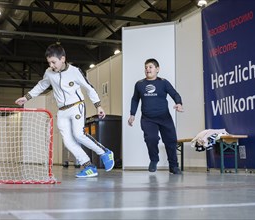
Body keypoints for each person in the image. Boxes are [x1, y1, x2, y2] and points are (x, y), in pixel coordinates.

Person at [15, 43, 114, 178]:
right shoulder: (49, 73)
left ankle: (104, 153)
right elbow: (42, 85)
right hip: (62, 111)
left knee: (78, 135)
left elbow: (89, 88)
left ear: (62, 59)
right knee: (68, 142)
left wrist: (98, 105)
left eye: (54, 62)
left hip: (76, 106)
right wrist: (27, 97)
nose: (51, 66)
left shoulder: (75, 71)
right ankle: (89, 166)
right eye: (49, 62)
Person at [128, 58, 183, 174]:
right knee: (151, 139)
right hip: (148, 119)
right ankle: (154, 159)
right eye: (146, 67)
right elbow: (135, 100)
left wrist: (178, 103)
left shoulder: (163, 82)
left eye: (150, 67)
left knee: (171, 141)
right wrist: (132, 114)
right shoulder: (139, 84)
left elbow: (174, 93)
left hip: (164, 117)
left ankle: (173, 166)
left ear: (157, 69)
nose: (147, 69)